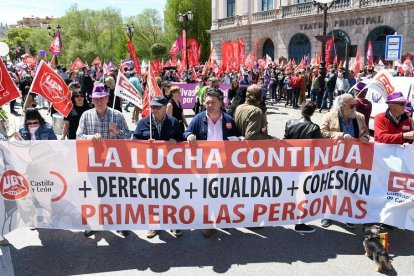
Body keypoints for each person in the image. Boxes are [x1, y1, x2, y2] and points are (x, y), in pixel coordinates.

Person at [184, 89, 240, 237]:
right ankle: (207, 223)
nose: (209, 105)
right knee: (206, 195)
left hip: (223, 165)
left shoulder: (229, 120)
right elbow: (186, 132)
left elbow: (236, 139)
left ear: (221, 103)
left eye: (213, 102)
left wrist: (239, 140)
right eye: (207, 102)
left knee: (222, 194)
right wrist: (189, 135)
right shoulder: (198, 119)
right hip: (204, 166)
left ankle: (221, 219)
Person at [76, 86, 130, 237]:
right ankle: (93, 224)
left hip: (114, 163)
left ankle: (119, 223)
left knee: (116, 194)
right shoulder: (86, 116)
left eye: (102, 98)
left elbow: (129, 138)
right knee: (93, 194)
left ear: (107, 98)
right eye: (96, 98)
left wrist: (118, 132)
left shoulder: (117, 116)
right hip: (93, 162)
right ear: (92, 100)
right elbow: (79, 136)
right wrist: (90, 137)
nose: (99, 101)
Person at [133, 96, 184, 238]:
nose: (154, 110)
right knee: (153, 197)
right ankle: (154, 225)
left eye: (157, 107)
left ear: (164, 108)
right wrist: (144, 144)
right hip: (150, 168)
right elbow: (135, 141)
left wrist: (176, 140)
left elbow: (182, 139)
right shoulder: (143, 123)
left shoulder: (173, 122)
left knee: (172, 196)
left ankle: (174, 223)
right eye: (152, 107)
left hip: (170, 167)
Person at [320, 93, 369, 229]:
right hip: (334, 158)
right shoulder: (329, 116)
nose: (354, 108)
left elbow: (366, 132)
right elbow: (323, 133)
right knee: (331, 186)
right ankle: (327, 215)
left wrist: (365, 137)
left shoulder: (359, 117)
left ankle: (348, 215)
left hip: (353, 159)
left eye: (355, 105)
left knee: (350, 187)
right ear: (342, 106)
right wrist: (339, 135)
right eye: (351, 105)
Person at [284, 101, 321, 233]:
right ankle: (300, 223)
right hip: (306, 166)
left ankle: (291, 217)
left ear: (301, 110)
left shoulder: (290, 123)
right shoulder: (314, 128)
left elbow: (285, 143)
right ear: (313, 112)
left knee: (292, 192)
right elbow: (319, 149)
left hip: (291, 164)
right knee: (304, 194)